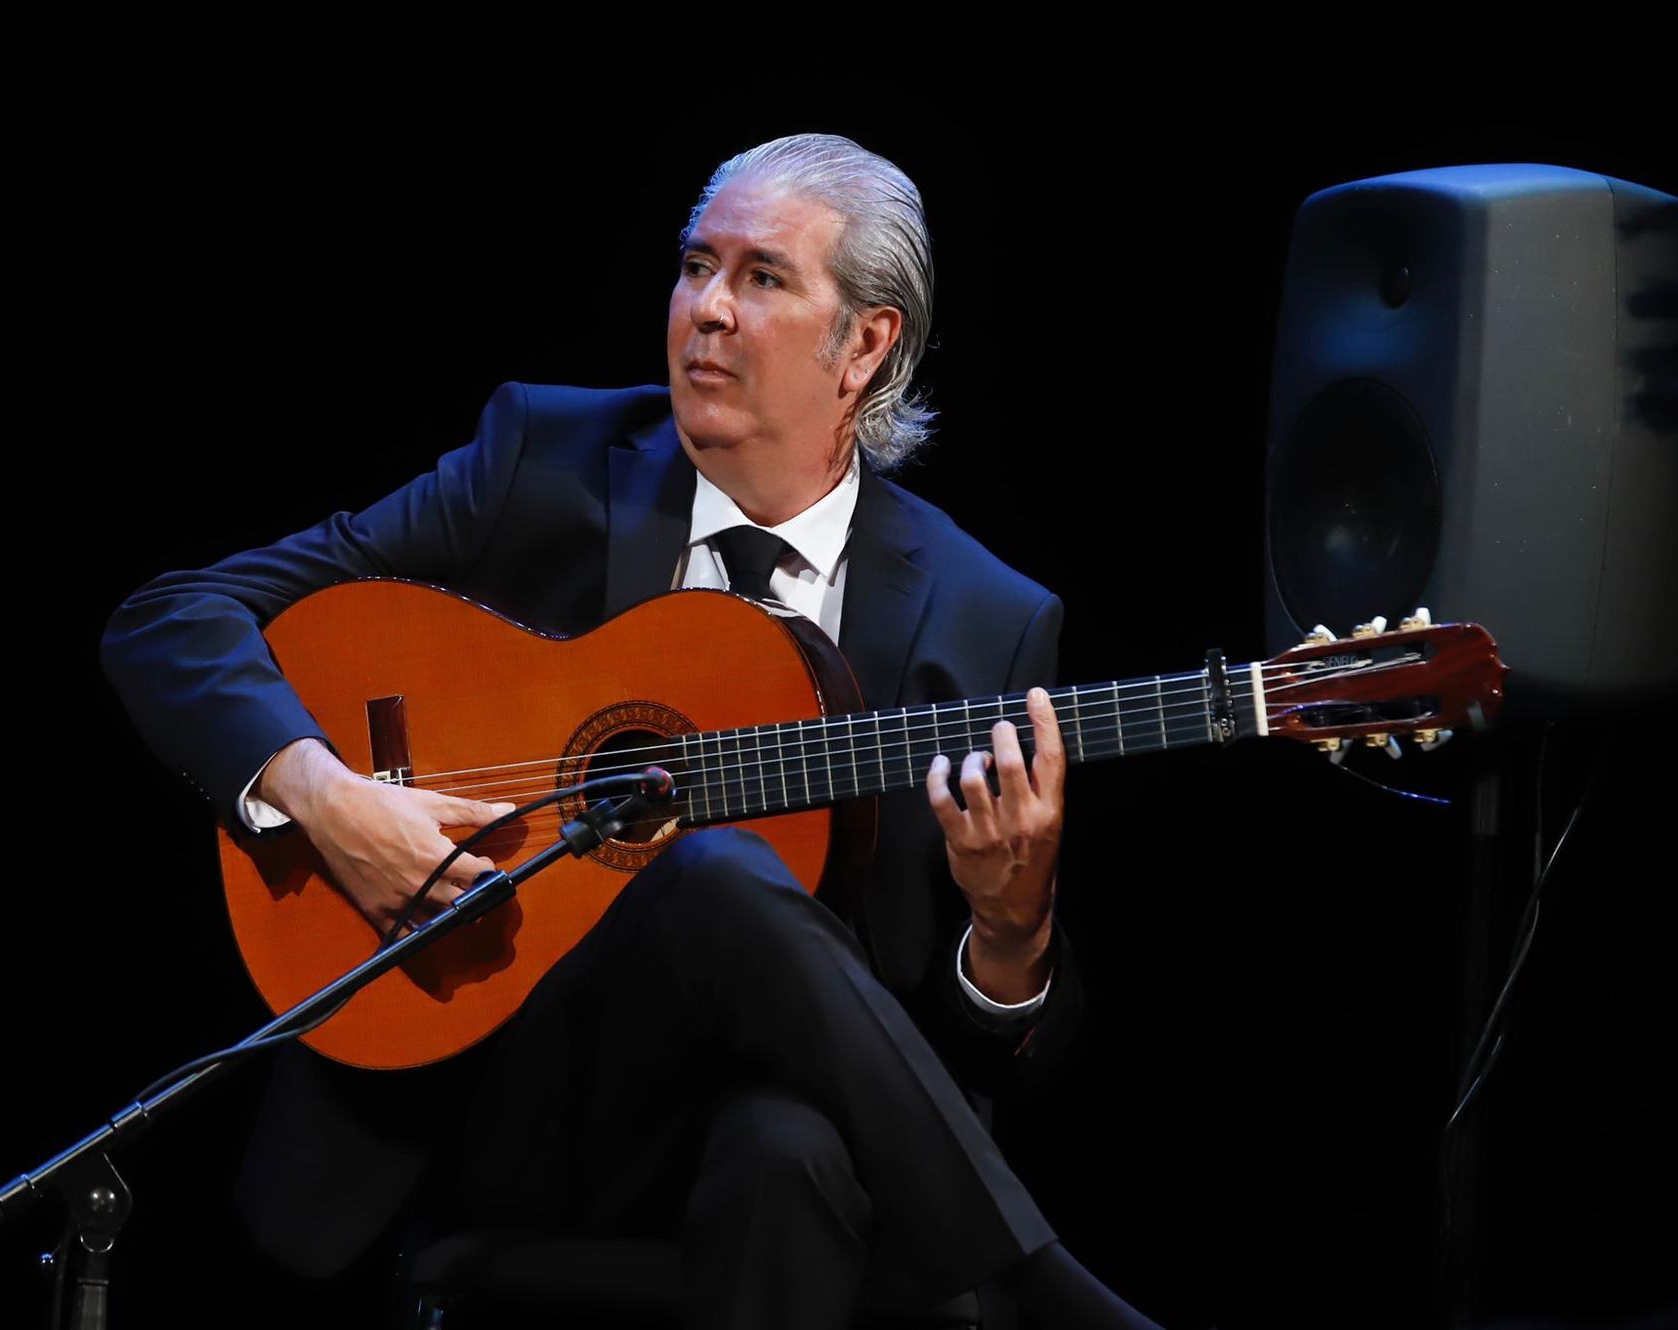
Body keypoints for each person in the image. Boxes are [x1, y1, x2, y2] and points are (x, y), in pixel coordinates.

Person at [102, 133, 1161, 1329]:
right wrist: (331, 799)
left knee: (785, 1149)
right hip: (497, 1082)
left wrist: (1009, 928)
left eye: (761, 277)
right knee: (713, 866)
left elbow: (973, 1048)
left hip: (763, 1130)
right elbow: (173, 617)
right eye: (694, 264)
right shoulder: (541, 465)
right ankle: (1043, 1294)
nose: (705, 309)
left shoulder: (987, 619)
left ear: (864, 343)